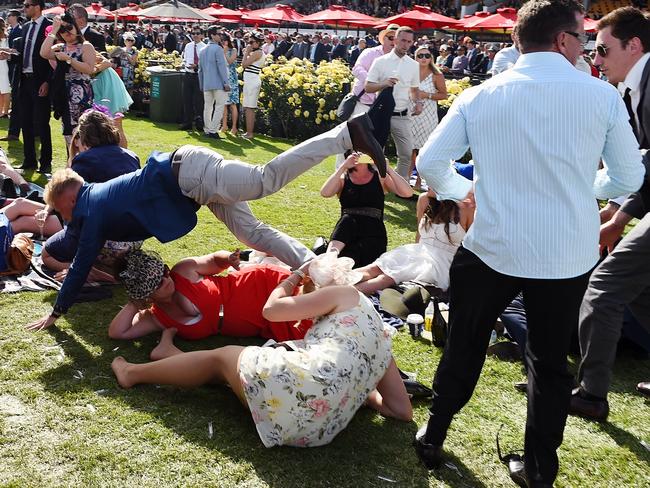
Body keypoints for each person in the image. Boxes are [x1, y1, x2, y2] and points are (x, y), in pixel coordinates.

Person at [412, 1, 644, 486]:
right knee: (550, 362)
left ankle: (433, 434)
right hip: (565, 254)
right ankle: (539, 470)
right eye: (584, 41)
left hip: (495, 246)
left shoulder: (482, 95)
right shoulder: (600, 97)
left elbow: (431, 163)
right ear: (563, 40)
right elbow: (629, 175)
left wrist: (462, 191)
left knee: (465, 345)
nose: (589, 51)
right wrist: (585, 187)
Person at [26, 113, 386, 331]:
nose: (67, 220)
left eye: (63, 211)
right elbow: (75, 246)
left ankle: (344, 135)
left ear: (70, 198)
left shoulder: (92, 207)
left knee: (265, 179)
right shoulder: (93, 199)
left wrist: (57, 312)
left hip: (190, 174)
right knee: (253, 234)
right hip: (191, 182)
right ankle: (320, 271)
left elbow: (81, 261)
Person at [110, 253, 412, 448]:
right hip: (322, 432)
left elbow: (271, 310)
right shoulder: (380, 336)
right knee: (240, 368)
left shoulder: (337, 298)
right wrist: (358, 390)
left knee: (223, 357)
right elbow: (402, 411)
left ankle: (133, 373)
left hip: (295, 410)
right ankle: (169, 359)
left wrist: (292, 278)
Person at [570, 7, 650, 421]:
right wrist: (619, 207)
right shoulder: (635, 86)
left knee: (604, 287)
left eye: (602, 49)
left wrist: (620, 213)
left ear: (633, 46)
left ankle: (591, 394)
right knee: (639, 291)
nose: (595, 60)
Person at [110, 249, 313, 345]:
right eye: (155, 282)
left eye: (162, 271)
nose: (166, 278)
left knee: (315, 303)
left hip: (258, 285)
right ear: (146, 294)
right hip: (263, 321)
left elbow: (214, 260)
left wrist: (228, 259)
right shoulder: (157, 318)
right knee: (312, 331)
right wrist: (135, 302)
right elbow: (118, 333)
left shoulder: (181, 271)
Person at [42, 110, 141, 279]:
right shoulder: (132, 157)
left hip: (102, 240)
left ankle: (86, 271)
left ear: (85, 136)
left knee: (46, 254)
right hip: (134, 239)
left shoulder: (85, 161)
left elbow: (71, 210)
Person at [354, 191, 473, 294]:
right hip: (419, 251)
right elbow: (419, 235)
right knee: (374, 268)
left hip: (442, 263)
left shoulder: (468, 208)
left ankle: (341, 295)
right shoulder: (424, 200)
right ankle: (336, 283)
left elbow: (473, 247)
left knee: (388, 277)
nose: (427, 184)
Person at [320, 153, 413, 268]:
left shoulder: (380, 177)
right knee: (348, 220)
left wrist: (388, 169)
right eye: (356, 151)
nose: (359, 154)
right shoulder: (343, 179)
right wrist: (343, 167)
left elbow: (407, 193)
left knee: (364, 265)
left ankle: (331, 257)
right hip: (347, 231)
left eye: (364, 151)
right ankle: (331, 256)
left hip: (373, 231)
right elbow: (325, 193)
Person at [365, 26, 422, 180]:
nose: (405, 44)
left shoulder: (413, 65)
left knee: (406, 153)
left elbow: (414, 89)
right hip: (381, 114)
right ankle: (374, 183)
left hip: (402, 115)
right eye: (403, 40)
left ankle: (400, 186)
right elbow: (368, 87)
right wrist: (384, 84)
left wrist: (418, 102)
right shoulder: (380, 61)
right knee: (375, 152)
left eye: (409, 42)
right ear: (395, 40)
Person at [4, 0, 53, 173]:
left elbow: (52, 59)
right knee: (25, 121)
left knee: (42, 123)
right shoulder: (25, 27)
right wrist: (9, 56)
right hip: (23, 80)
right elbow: (24, 56)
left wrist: (47, 81)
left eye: (27, 5)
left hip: (40, 81)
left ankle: (46, 162)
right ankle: (29, 160)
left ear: (37, 6)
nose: (24, 9)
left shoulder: (50, 27)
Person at [39, 12, 96, 147]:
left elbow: (89, 69)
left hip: (81, 97)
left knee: (84, 133)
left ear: (75, 26)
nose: (67, 32)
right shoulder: (61, 47)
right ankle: (71, 163)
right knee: (69, 135)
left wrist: (69, 60)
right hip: (64, 96)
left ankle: (84, 164)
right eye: (62, 30)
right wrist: (53, 30)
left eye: (69, 27)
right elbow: (44, 53)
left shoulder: (86, 46)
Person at [410, 45, 447, 189]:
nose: (424, 58)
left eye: (426, 55)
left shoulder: (436, 74)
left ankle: (419, 180)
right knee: (410, 148)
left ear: (431, 58)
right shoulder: (411, 72)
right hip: (411, 112)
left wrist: (427, 95)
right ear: (415, 57)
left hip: (428, 115)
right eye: (420, 55)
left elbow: (444, 95)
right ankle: (407, 178)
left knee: (423, 149)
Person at [198, 27, 229, 140]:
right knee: (219, 106)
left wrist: (201, 84)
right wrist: (226, 82)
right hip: (218, 83)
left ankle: (207, 129)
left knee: (208, 107)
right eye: (218, 34)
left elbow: (200, 70)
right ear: (212, 35)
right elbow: (221, 67)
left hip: (207, 83)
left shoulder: (202, 50)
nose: (220, 36)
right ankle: (213, 130)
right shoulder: (218, 49)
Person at [2, 10, 23, 142]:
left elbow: (19, 52)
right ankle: (13, 133)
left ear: (14, 17)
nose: (7, 18)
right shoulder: (16, 30)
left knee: (16, 98)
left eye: (9, 15)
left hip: (17, 68)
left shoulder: (20, 30)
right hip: (13, 66)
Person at [180, 27, 205, 132]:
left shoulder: (205, 47)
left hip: (198, 76)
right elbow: (185, 59)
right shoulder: (188, 46)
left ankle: (199, 123)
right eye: (193, 33)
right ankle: (187, 123)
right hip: (188, 74)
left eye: (197, 33)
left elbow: (206, 64)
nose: (195, 35)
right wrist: (183, 65)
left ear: (202, 35)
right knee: (187, 100)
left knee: (198, 101)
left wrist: (197, 66)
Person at [241, 32, 265, 140]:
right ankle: (248, 132)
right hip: (250, 79)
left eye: (251, 42)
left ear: (258, 42)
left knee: (250, 108)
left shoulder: (257, 53)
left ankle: (250, 133)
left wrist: (246, 52)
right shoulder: (256, 52)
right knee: (248, 107)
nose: (249, 44)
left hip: (252, 80)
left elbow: (244, 64)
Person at [221, 32, 239, 136]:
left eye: (225, 40)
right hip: (223, 78)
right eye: (222, 41)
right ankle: (224, 125)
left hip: (231, 79)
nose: (223, 42)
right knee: (223, 103)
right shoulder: (219, 50)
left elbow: (230, 62)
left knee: (232, 104)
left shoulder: (234, 50)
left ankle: (234, 127)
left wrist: (224, 52)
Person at [0, 18, 11, 118]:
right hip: (3, 64)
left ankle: (5, 111)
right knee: (2, 89)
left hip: (3, 65)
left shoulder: (5, 37)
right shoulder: (6, 36)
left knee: (5, 89)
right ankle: (2, 111)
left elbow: (7, 51)